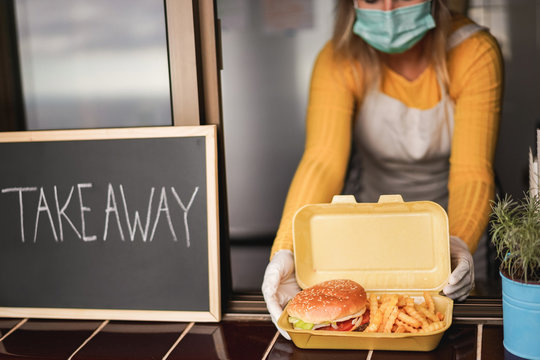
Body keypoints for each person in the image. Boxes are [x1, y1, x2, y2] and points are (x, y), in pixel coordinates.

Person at [262, 0, 503, 338]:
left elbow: (472, 171)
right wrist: (286, 247)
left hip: (452, 227)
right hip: (370, 228)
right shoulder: (337, 59)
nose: (388, 8)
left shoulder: (473, 51)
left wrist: (458, 242)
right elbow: (322, 160)